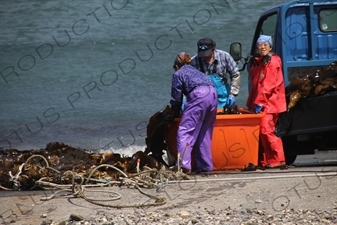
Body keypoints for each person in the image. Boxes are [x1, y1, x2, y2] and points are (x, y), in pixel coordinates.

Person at [170, 52, 218, 173]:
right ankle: (205, 166)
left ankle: (184, 165)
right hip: (213, 93)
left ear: (176, 66)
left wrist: (175, 111)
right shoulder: (197, 71)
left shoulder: (178, 74)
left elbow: (176, 97)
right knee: (205, 132)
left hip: (198, 95)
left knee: (184, 131)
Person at [246, 35, 287, 169]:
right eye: (260, 44)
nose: (262, 47)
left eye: (265, 44)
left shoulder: (272, 62)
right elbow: (255, 86)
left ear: (270, 47)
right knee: (261, 132)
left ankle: (278, 159)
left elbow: (268, 86)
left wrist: (260, 102)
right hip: (261, 103)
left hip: (270, 103)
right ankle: (267, 160)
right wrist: (250, 103)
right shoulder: (258, 63)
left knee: (266, 131)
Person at [191, 37, 240, 108]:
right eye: (202, 54)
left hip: (223, 99)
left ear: (213, 50)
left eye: (206, 54)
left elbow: (235, 74)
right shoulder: (193, 61)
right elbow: (187, 81)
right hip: (202, 101)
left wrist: (232, 94)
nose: (204, 56)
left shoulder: (225, 57)